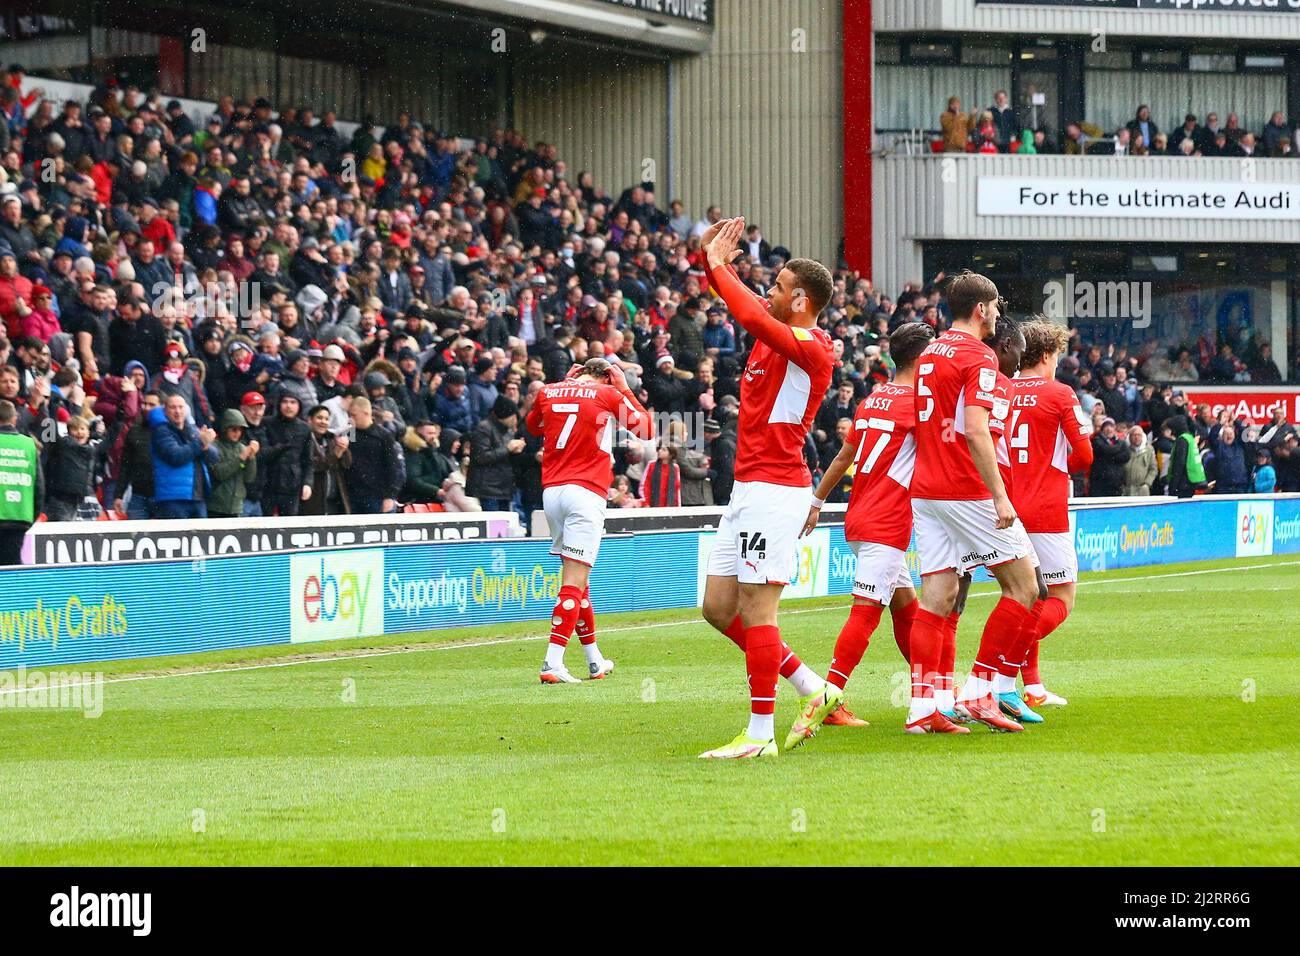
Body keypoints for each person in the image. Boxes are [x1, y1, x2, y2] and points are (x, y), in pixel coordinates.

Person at [695, 217, 839, 758]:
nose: (767, 292)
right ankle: (813, 688)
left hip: (776, 489)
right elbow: (747, 305)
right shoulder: (775, 332)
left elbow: (748, 310)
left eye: (778, 286)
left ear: (800, 298)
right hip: (747, 490)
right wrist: (710, 256)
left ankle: (759, 737)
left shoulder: (812, 346)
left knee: (758, 610)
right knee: (717, 607)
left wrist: (718, 266)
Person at [908, 271, 1037, 733]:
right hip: (965, 488)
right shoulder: (979, 356)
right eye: (996, 305)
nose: (999, 313)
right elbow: (975, 429)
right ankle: (981, 692)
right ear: (981, 309)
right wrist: (1000, 495)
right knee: (1024, 586)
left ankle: (922, 709)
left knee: (937, 598)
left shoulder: (929, 353)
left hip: (926, 491)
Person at [800, 322, 936, 729]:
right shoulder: (918, 405)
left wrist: (816, 501)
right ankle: (828, 700)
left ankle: (932, 692)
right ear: (921, 358)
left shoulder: (873, 400)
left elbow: (843, 458)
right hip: (886, 521)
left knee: (906, 610)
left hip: (859, 514)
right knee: (866, 613)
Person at [525, 357, 652, 683]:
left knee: (578, 583)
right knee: (573, 583)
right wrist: (624, 388)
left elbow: (532, 427)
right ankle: (552, 662)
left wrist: (564, 384)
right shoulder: (606, 394)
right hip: (586, 492)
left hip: (552, 492)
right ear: (607, 378)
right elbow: (646, 429)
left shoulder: (548, 391)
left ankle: (594, 660)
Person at [1005, 320, 1095, 710]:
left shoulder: (1001, 391)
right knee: (1062, 596)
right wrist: (1058, 465)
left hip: (1005, 508)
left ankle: (1033, 686)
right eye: (1057, 355)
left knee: (1028, 596)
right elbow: (1086, 456)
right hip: (1045, 510)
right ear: (1045, 355)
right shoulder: (1060, 393)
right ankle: (994, 674)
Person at [149, 394, 218, 519]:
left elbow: (214, 457)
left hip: (198, 496)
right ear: (165, 411)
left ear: (186, 409)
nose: (177, 411)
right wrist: (201, 442)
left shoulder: (192, 430)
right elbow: (176, 456)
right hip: (173, 498)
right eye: (173, 407)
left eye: (180, 407)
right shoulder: (161, 431)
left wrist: (206, 445)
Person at [0, 398, 43, 565]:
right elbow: (39, 488)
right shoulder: (29, 445)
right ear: (14, 419)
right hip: (19, 517)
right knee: (11, 571)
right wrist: (28, 518)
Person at [341, 396, 401, 514]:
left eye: (354, 415)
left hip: (377, 494)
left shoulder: (383, 435)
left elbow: (393, 466)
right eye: (349, 415)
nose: (351, 419)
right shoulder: (350, 432)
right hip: (353, 493)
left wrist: (390, 496)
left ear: (366, 413)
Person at [467, 395, 523, 512]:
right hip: (488, 489)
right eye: (513, 416)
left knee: (505, 526)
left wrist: (515, 451)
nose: (514, 421)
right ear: (505, 414)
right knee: (493, 526)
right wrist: (507, 448)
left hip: (504, 488)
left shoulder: (508, 431)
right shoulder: (484, 428)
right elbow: (481, 457)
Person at [43, 415, 100, 521]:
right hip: (60, 500)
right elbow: (49, 434)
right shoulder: (63, 446)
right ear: (68, 432)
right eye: (75, 429)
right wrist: (51, 409)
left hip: (79, 500)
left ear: (88, 433)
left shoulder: (91, 451)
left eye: (82, 429)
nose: (79, 432)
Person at [207, 409, 259, 518]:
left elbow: (249, 478)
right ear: (225, 429)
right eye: (234, 429)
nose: (237, 433)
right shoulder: (215, 447)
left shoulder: (242, 448)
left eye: (240, 430)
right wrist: (241, 458)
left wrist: (252, 458)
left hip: (236, 507)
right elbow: (220, 474)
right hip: (215, 506)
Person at [302, 404, 351, 515]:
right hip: (314, 500)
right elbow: (316, 465)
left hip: (334, 500)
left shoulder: (331, 438)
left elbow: (347, 463)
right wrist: (336, 454)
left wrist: (344, 449)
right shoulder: (305, 439)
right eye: (319, 418)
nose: (323, 422)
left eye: (326, 419)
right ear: (310, 420)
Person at [1122, 424, 1156, 496]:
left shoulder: (1149, 450)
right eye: (1134, 435)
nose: (1136, 437)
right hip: (1126, 490)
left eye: (1139, 435)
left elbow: (1153, 469)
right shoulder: (1124, 449)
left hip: (1142, 491)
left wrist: (1147, 483)